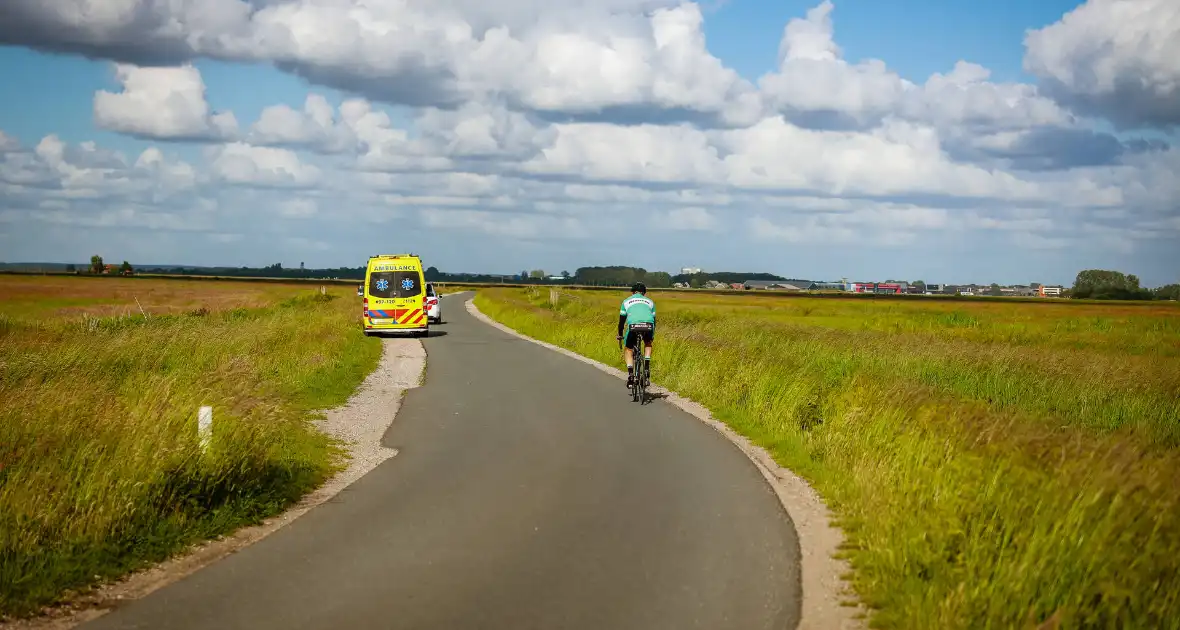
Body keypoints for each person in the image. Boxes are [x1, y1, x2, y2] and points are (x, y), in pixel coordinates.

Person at [617, 282, 655, 388]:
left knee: (628, 349)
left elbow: (621, 323)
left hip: (633, 326)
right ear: (644, 293)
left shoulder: (626, 301)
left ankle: (630, 375)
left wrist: (620, 335)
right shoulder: (650, 302)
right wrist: (652, 336)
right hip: (648, 325)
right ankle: (646, 366)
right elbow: (654, 321)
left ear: (633, 292)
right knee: (648, 343)